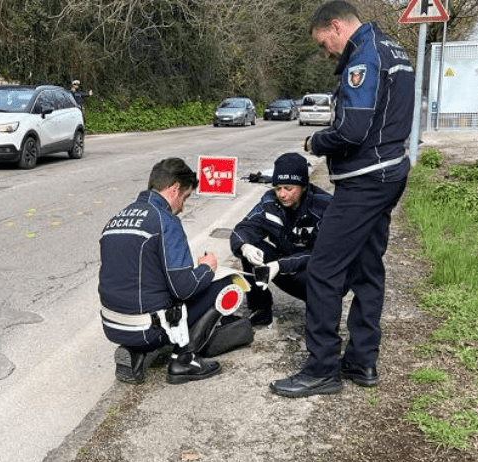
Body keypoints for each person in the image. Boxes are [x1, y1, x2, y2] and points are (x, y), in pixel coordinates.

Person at [270, 0, 415, 398]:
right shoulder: (391, 48)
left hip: (365, 180)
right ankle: (361, 360)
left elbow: (352, 130)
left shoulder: (364, 58)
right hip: (389, 173)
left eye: (324, 44)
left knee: (322, 271)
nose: (326, 52)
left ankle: (322, 369)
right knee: (368, 270)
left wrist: (315, 141)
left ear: (336, 26)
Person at [99, 158, 249, 385]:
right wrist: (206, 268)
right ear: (175, 188)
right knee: (228, 284)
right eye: (185, 197)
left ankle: (134, 352)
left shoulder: (115, 219)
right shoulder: (164, 220)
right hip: (148, 329)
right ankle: (184, 359)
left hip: (113, 325)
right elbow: (184, 288)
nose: (182, 207)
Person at [230, 152, 332, 327]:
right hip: (282, 265)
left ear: (304, 186)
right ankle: (260, 308)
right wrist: (245, 246)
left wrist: (281, 265)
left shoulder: (324, 206)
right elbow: (244, 228)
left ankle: (320, 317)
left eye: (289, 188)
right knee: (250, 246)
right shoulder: (270, 201)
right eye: (278, 188)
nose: (282, 194)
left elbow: (322, 254)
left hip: (314, 273)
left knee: (319, 325)